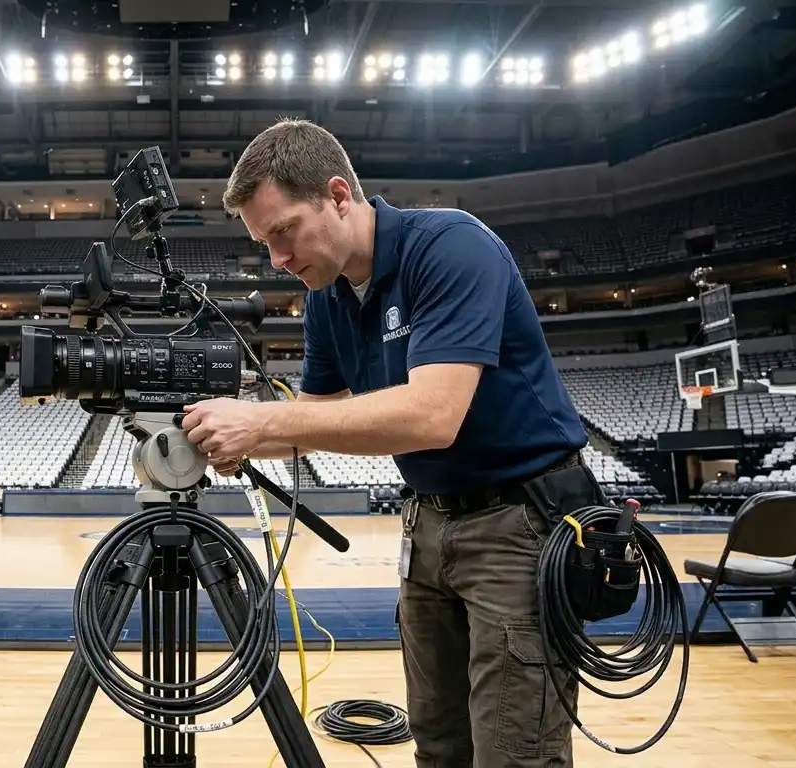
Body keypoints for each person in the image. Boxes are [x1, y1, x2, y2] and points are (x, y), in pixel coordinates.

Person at [180, 118, 598, 767]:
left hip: (519, 525)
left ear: (339, 196)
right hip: (427, 524)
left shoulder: (452, 246)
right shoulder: (324, 297)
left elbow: (433, 415)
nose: (278, 260)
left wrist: (261, 422)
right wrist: (227, 436)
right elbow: (314, 417)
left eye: (284, 231)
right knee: (437, 745)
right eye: (264, 244)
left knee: (516, 752)